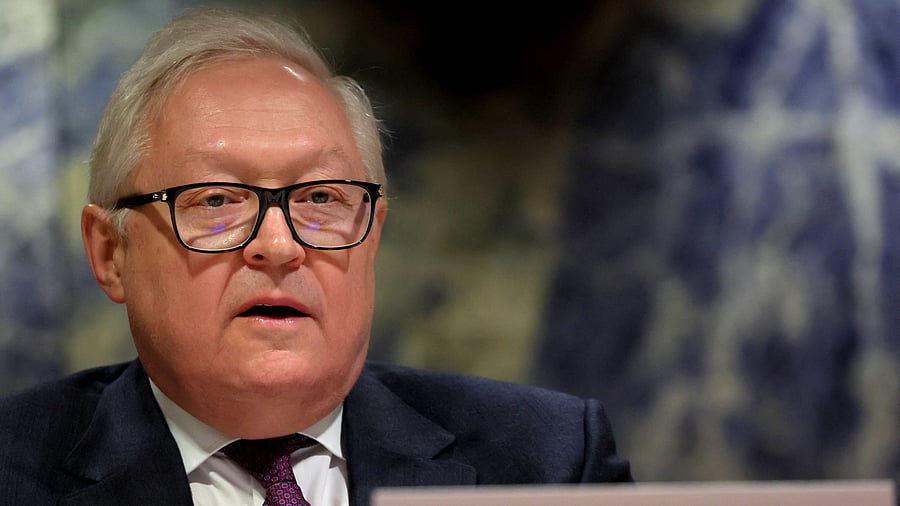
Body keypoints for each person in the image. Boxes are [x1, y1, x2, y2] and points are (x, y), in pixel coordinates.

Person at [0, 7, 632, 505]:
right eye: (217, 200)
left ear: (373, 233)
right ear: (110, 252)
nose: (279, 246)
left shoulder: (549, 466)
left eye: (323, 198)